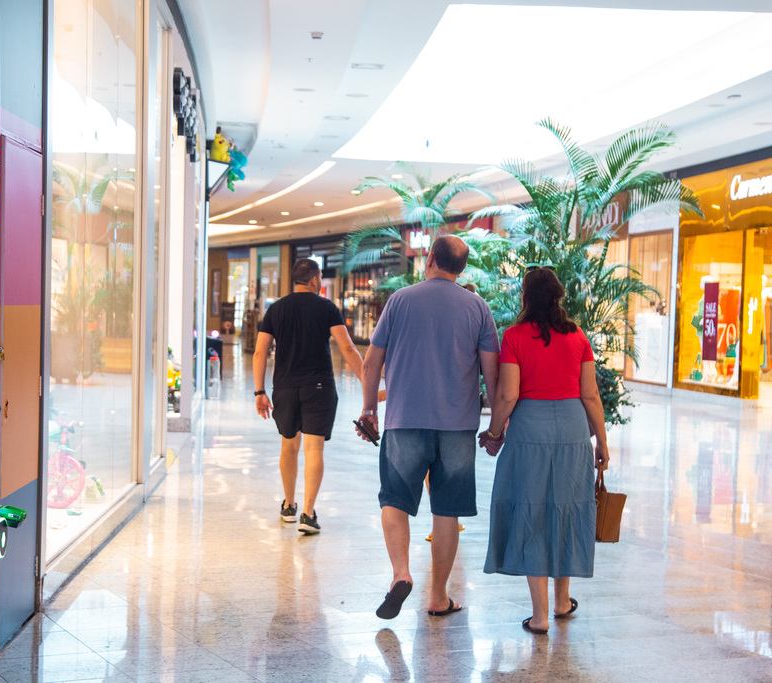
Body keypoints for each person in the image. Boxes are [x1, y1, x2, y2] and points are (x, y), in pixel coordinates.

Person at [356, 235, 500, 619]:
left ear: (431, 258)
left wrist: (370, 409)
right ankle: (438, 596)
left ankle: (401, 573)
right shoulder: (478, 308)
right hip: (457, 427)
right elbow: (492, 374)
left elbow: (371, 364)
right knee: (447, 511)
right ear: (462, 268)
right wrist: (496, 426)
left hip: (404, 421)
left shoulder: (400, 300)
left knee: (394, 501)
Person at [478, 266, 609, 636]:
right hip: (572, 429)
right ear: (558, 298)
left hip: (529, 430)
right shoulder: (578, 336)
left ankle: (538, 617)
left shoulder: (515, 337)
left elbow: (508, 394)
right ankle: (562, 601)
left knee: (532, 510)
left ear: (526, 297)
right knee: (565, 509)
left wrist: (494, 432)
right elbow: (590, 394)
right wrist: (601, 439)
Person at [253, 258, 364, 534]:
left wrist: (259, 391)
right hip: (319, 387)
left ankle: (289, 506)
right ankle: (308, 514)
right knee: (313, 449)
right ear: (314, 281)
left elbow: (259, 352)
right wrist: (368, 383)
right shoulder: (327, 308)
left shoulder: (276, 309)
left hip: (285, 388)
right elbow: (348, 349)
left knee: (288, 446)